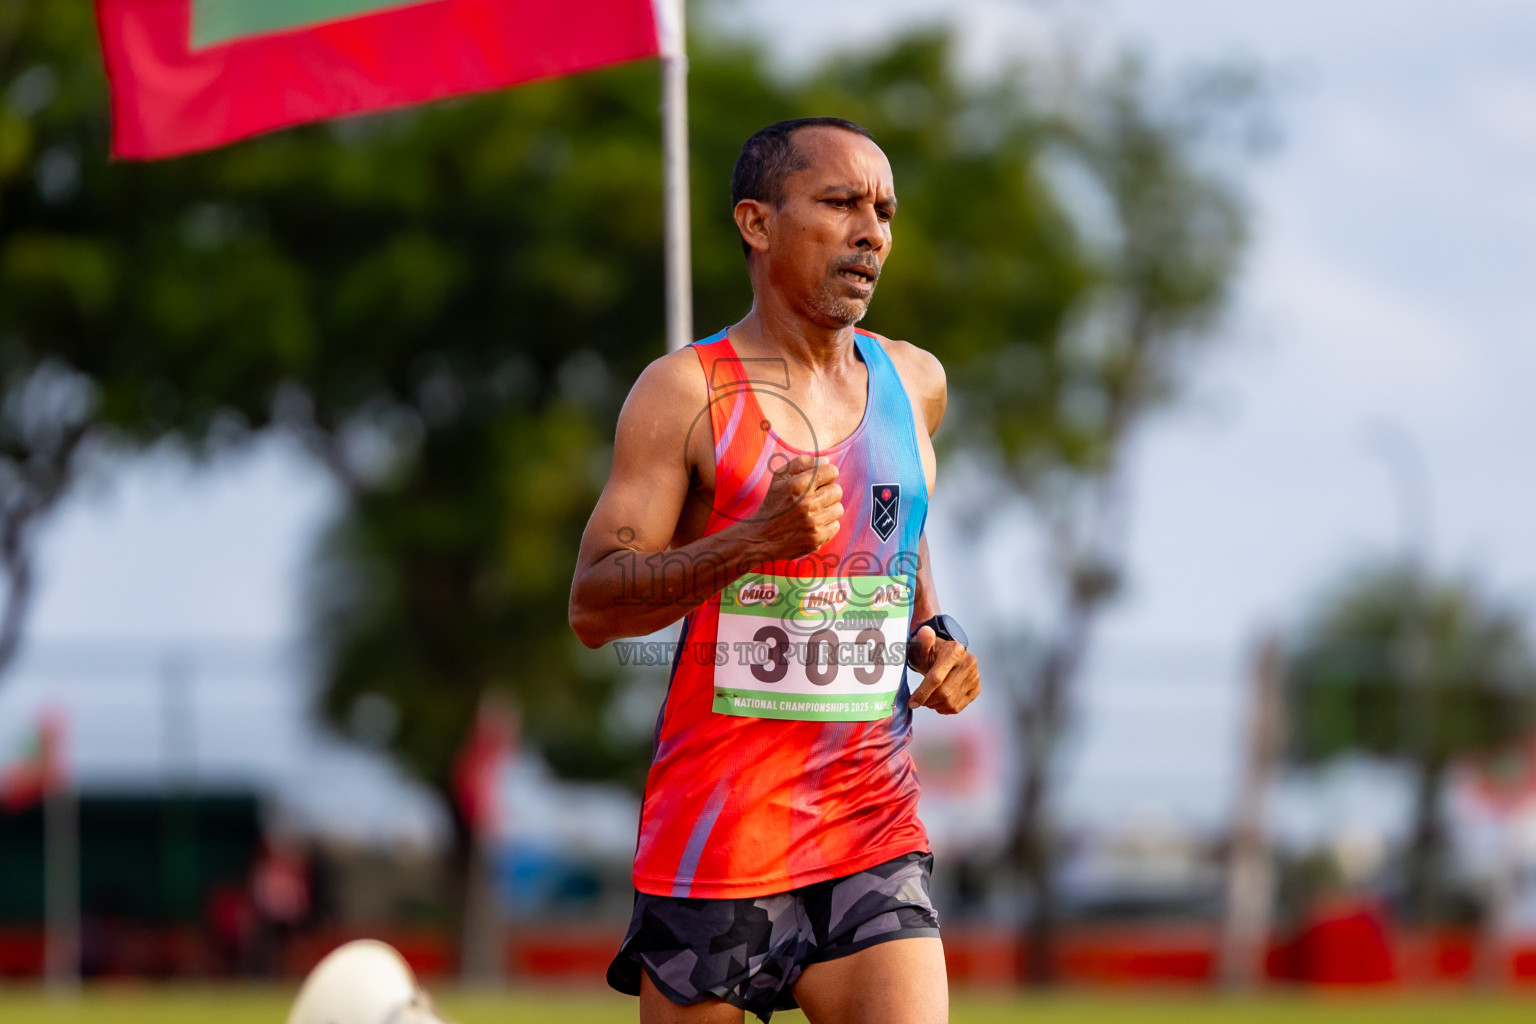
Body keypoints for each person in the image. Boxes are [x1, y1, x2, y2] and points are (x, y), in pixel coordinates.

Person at [569, 117, 981, 1024]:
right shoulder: (685, 392)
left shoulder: (916, 383)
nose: (871, 231)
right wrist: (751, 541)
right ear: (756, 223)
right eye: (839, 204)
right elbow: (595, 603)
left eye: (884, 210)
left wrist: (934, 634)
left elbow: (896, 533)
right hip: (719, 841)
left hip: (872, 826)